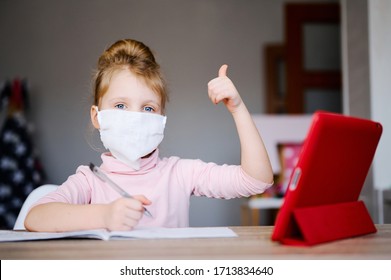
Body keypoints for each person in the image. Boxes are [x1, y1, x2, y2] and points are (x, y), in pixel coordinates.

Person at [24, 39, 273, 232]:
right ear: (96, 116)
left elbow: (257, 180)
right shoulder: (89, 181)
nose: (135, 118)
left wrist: (238, 108)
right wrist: (104, 215)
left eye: (148, 108)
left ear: (161, 119)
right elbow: (35, 217)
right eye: (120, 106)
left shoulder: (180, 174)